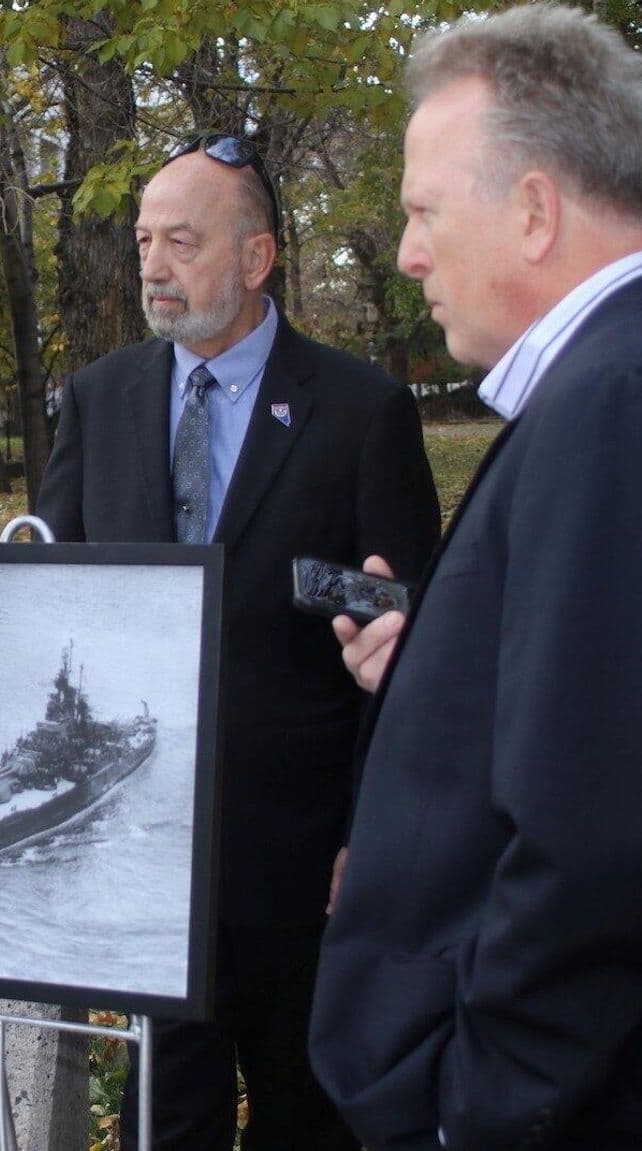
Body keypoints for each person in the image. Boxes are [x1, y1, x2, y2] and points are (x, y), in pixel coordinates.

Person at [36, 135, 441, 1150]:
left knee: (306, 1115)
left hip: (299, 859)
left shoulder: (362, 412)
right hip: (135, 851)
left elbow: (409, 650)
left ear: (257, 259)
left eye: (181, 240)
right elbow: (55, 615)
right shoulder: (100, 397)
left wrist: (372, 829)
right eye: (142, 242)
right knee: (162, 1118)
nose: (153, 267)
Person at [309, 7, 642, 1150]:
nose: (406, 252)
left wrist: (482, 1111)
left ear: (535, 210)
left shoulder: (611, 403)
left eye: (420, 212)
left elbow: (593, 841)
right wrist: (444, 657)